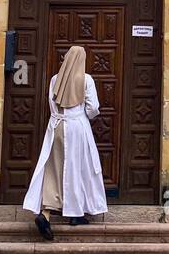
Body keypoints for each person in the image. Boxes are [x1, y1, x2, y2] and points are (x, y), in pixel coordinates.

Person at [22, 44, 107, 239]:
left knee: (54, 169)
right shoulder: (86, 80)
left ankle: (46, 213)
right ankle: (75, 214)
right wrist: (82, 114)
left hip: (56, 127)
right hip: (77, 127)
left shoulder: (54, 79)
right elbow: (93, 108)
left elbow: (52, 102)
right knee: (77, 168)